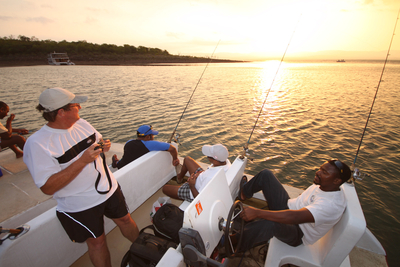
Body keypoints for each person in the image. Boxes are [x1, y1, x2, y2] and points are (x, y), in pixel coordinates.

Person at [23, 87, 139, 267]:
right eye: (76, 105)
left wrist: (104, 146)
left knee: (125, 220)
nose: (80, 108)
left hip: (109, 189)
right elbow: (48, 187)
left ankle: (145, 251)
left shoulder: (82, 124)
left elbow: (97, 143)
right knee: (97, 242)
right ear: (62, 112)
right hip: (80, 204)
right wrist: (82, 161)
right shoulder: (37, 144)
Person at [236, 159, 351, 252]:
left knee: (272, 223)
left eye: (324, 172)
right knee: (266, 175)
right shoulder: (325, 185)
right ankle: (243, 193)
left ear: (336, 181)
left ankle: (230, 243)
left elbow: (295, 217)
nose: (318, 172)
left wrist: (258, 213)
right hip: (289, 207)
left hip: (298, 232)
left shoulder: (331, 205)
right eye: (321, 169)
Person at [162, 144, 231, 202]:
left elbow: (199, 199)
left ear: (215, 161)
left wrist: (191, 185)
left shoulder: (210, 178)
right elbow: (211, 172)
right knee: (187, 159)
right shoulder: (226, 162)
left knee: (164, 189)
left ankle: (184, 195)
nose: (207, 157)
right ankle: (179, 178)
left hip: (193, 191)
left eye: (208, 156)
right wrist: (202, 173)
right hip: (201, 178)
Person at [112, 124, 179, 169]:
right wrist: (175, 159)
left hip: (123, 166)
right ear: (147, 137)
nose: (153, 136)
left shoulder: (129, 142)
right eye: (152, 135)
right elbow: (172, 148)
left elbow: (127, 156)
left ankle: (116, 163)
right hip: (138, 168)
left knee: (124, 160)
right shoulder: (149, 144)